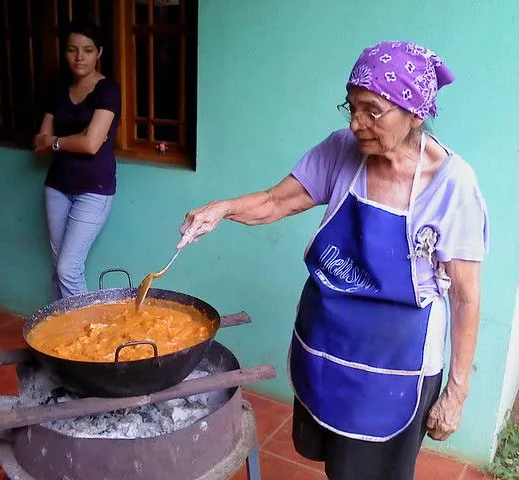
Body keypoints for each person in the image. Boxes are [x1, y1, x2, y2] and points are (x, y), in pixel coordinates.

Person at [177, 41, 488, 480]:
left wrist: (456, 394)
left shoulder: (452, 185)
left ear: (414, 113)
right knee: (337, 464)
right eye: (352, 107)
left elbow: (466, 297)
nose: (356, 123)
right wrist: (222, 209)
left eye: (372, 110)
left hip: (394, 368)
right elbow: (273, 201)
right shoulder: (341, 150)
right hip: (326, 346)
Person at [33, 22, 120, 300]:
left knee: (68, 268)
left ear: (99, 52)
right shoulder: (58, 91)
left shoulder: (108, 91)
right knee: (59, 268)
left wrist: (58, 141)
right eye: (72, 50)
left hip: (93, 189)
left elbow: (92, 144)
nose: (79, 57)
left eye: (87, 50)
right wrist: (75, 138)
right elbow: (39, 143)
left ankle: (85, 337)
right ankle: (56, 339)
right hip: (57, 186)